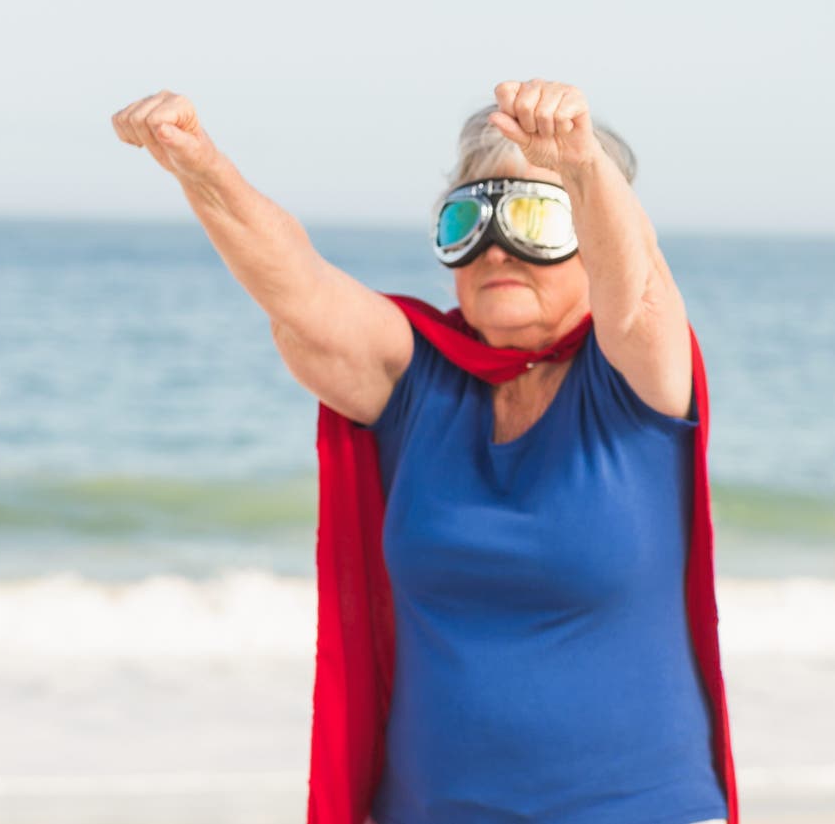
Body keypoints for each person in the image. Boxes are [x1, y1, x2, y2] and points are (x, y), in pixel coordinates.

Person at [110, 79, 736, 824]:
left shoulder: (636, 376)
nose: (497, 247)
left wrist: (582, 163)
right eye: (469, 219)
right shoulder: (420, 378)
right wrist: (201, 166)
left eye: (536, 216)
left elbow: (637, 290)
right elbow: (298, 294)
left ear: (592, 237)